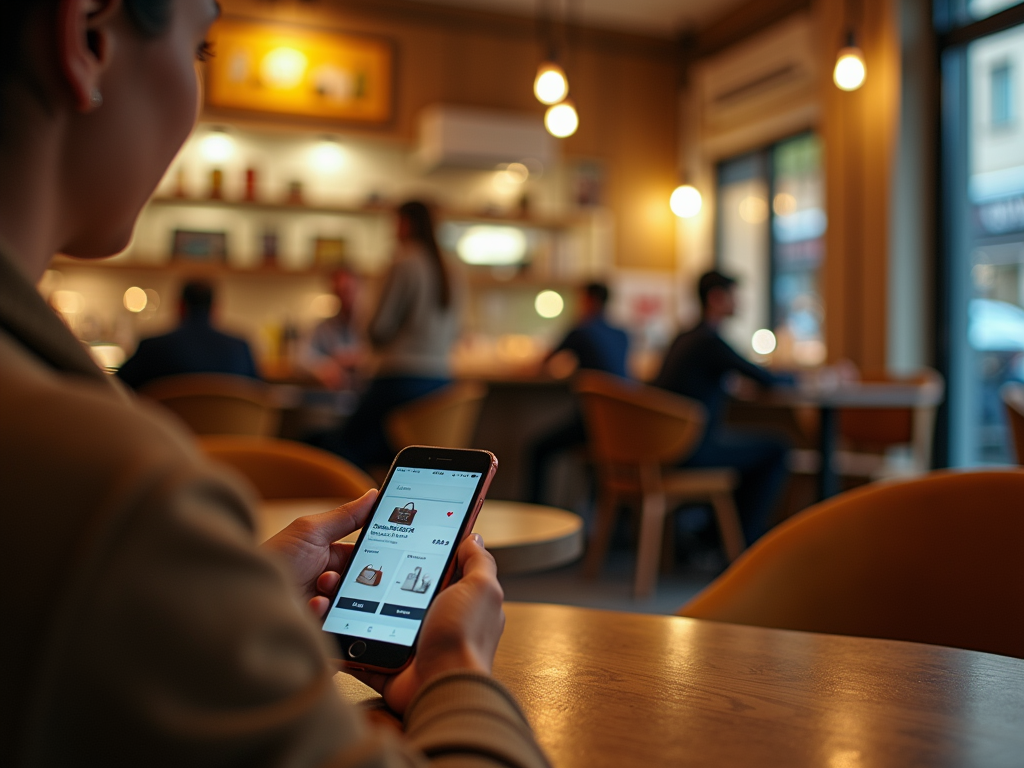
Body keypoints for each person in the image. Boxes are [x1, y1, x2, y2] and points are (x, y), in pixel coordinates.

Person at [0, 2, 546, 766]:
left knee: (339, 438)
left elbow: (379, 337)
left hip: (388, 385)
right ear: (85, 39)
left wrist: (212, 602)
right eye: (202, 47)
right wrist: (457, 668)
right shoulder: (111, 488)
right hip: (436, 389)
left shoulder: (100, 484)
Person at [313, 201, 460, 471]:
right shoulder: (451, 268)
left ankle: (350, 509)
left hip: (399, 378)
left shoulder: (403, 262)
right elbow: (458, 330)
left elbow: (378, 328)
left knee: (338, 447)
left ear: (406, 223)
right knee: (396, 449)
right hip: (441, 382)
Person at [654, 270, 793, 544]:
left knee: (750, 447)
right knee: (776, 449)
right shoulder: (709, 342)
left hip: (663, 446)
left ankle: (716, 538)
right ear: (717, 299)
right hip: (689, 450)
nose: (739, 303)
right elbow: (766, 379)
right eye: (734, 297)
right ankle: (745, 542)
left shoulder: (684, 337)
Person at [527, 282, 629, 504]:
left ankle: (535, 511)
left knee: (536, 448)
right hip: (624, 424)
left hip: (594, 422)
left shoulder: (581, 330)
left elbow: (544, 363)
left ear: (588, 300)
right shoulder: (622, 333)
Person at [117, 280, 259, 389]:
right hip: (230, 427)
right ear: (215, 309)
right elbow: (260, 392)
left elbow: (118, 386)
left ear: (180, 306)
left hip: (165, 426)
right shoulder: (240, 348)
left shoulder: (151, 347)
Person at [299, 267, 365, 390]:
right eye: (338, 292)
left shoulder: (373, 324)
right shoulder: (323, 328)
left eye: (348, 290)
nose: (344, 297)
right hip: (337, 395)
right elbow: (302, 356)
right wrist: (325, 367)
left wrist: (356, 358)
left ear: (360, 288)